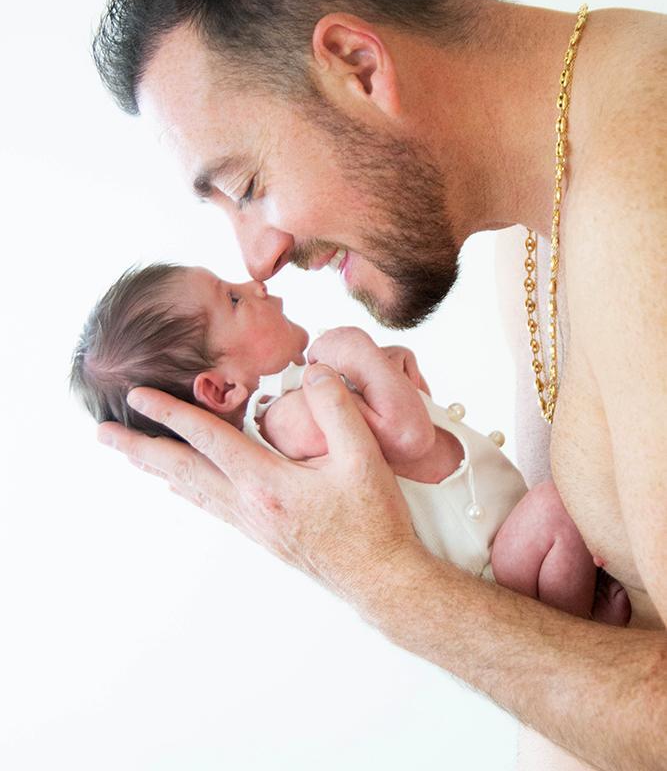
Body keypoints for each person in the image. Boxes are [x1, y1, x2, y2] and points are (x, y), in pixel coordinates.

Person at [90, 0, 667, 770]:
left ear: (357, 66)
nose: (256, 258)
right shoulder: (535, 216)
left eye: (246, 187)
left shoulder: (649, 201)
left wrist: (383, 582)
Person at [71, 261, 628, 622]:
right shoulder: (290, 421)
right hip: (495, 565)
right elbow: (408, 435)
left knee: (561, 503)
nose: (254, 283)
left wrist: (395, 375)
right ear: (220, 389)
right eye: (234, 301)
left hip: (500, 536)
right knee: (558, 502)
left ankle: (580, 601)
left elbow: (419, 434)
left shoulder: (293, 410)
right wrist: (356, 346)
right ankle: (581, 622)